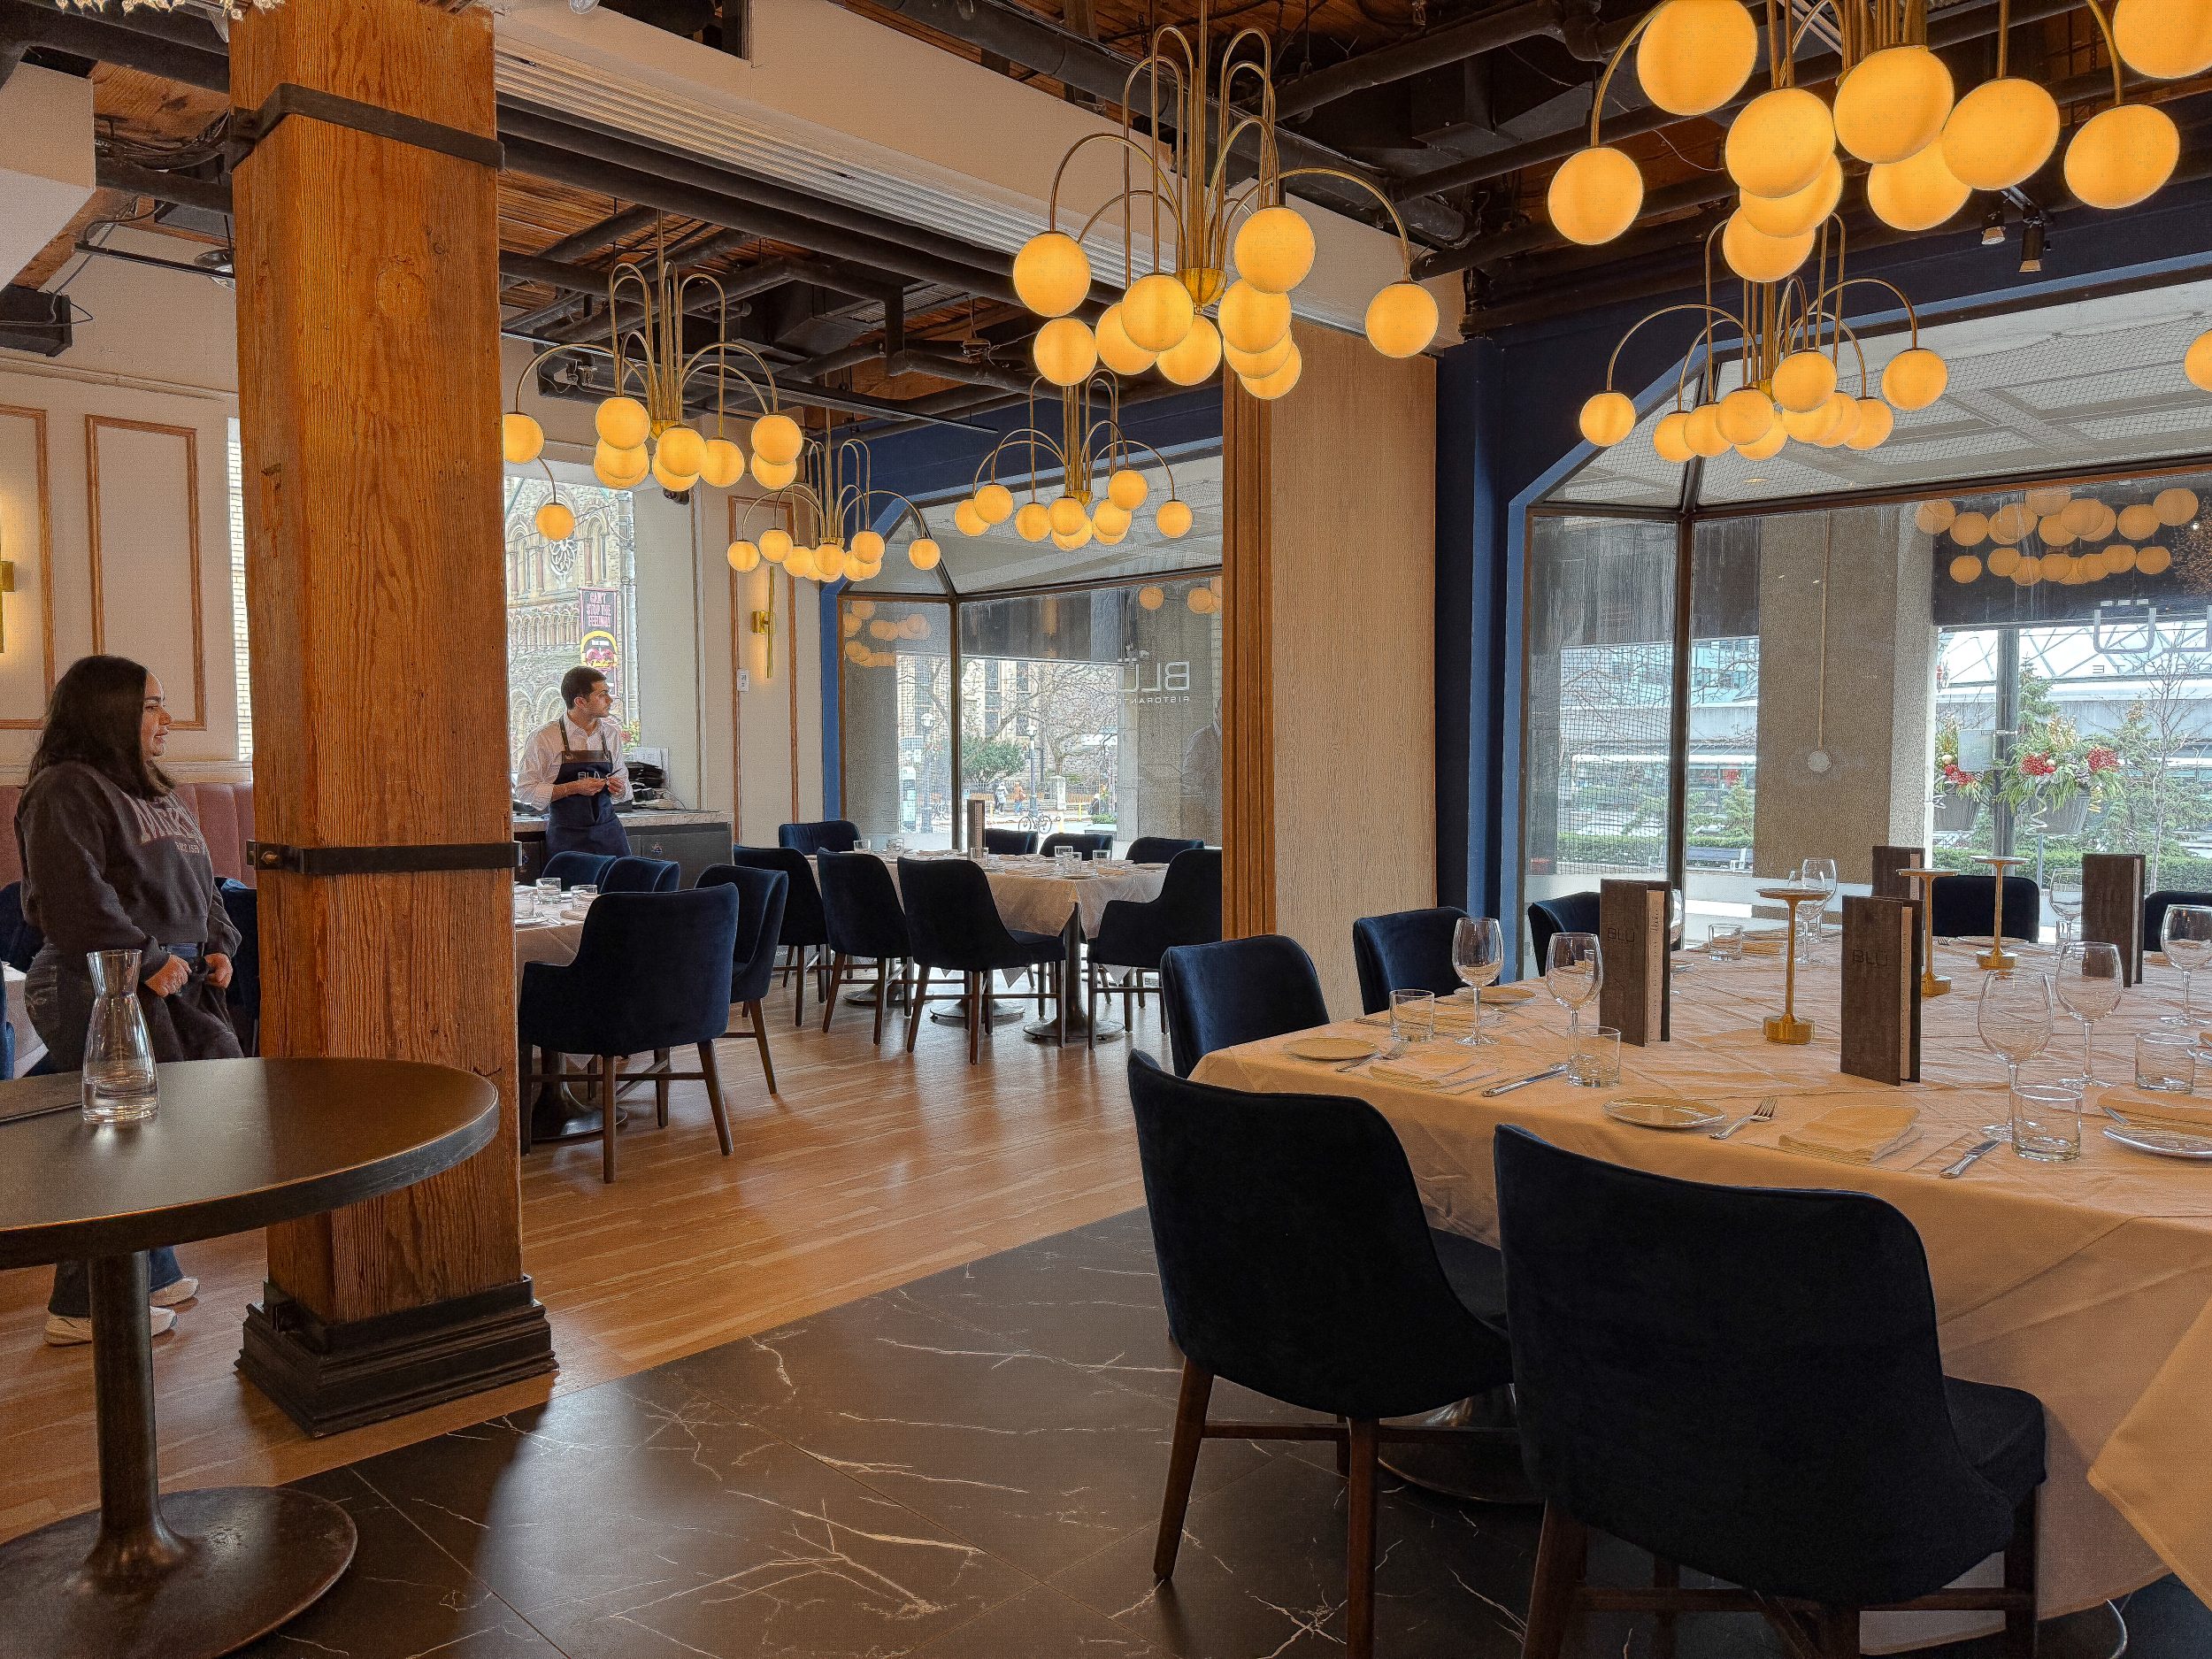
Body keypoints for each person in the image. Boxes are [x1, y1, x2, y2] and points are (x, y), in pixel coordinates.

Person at [16, 655, 241, 1347]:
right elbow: (72, 897)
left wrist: (219, 941)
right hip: (94, 980)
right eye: (151, 706)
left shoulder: (153, 791)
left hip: (167, 976)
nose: (165, 720)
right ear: (108, 712)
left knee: (155, 1130)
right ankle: (84, 1303)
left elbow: (203, 881)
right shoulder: (64, 789)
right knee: (113, 1140)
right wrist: (145, 960)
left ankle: (152, 1265)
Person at [517, 666, 632, 859]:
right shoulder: (544, 737)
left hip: (609, 834)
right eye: (602, 695)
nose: (610, 701)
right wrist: (573, 788)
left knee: (620, 888)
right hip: (568, 838)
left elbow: (625, 787)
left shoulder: (611, 735)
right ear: (580, 702)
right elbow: (525, 791)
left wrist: (620, 789)